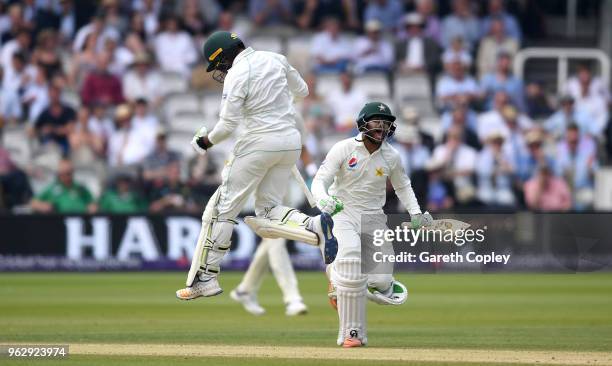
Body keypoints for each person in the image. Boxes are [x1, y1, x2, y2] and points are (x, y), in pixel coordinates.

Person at [175, 31, 338, 301]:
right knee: (269, 210)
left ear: (226, 55)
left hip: (258, 144)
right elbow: (302, 91)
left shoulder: (238, 74)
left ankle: (206, 278)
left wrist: (204, 142)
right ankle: (314, 226)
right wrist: (276, 103)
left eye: (219, 65)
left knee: (219, 210)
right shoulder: (277, 58)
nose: (221, 71)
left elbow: (226, 127)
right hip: (289, 143)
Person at [312, 102, 432, 347]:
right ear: (363, 123)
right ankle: (350, 334)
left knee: (381, 283)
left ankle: (336, 277)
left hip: (374, 217)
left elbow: (403, 186)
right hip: (342, 211)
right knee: (351, 258)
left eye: (386, 123)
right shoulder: (343, 148)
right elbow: (319, 181)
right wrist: (325, 200)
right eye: (377, 122)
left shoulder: (392, 155)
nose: (381, 127)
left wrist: (416, 213)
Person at [30, 159, 97, 214]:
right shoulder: (52, 189)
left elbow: (92, 203)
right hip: (60, 222)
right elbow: (34, 203)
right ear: (59, 174)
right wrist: (44, 206)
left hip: (81, 220)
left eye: (69, 173)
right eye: (63, 174)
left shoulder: (80, 188)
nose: (67, 177)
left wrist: (92, 208)